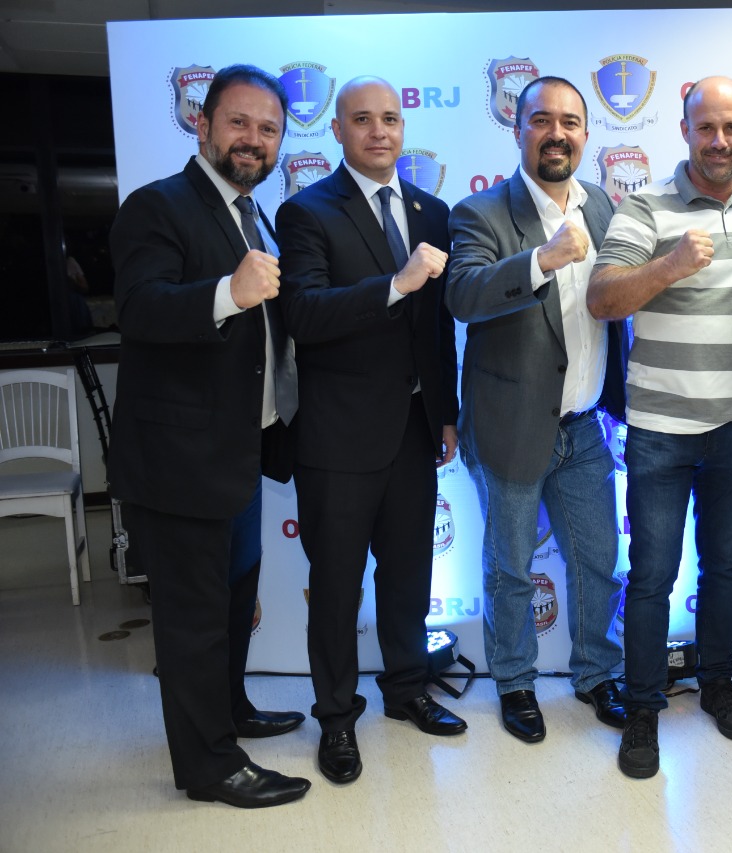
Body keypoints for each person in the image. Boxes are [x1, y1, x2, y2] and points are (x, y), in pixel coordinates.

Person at [109, 63, 310, 808]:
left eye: (269, 129)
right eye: (239, 123)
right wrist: (230, 291)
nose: (253, 139)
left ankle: (229, 711)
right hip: (179, 461)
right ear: (203, 125)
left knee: (231, 600)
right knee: (193, 620)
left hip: (237, 452)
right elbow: (140, 309)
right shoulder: (157, 206)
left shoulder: (252, 213)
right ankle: (209, 766)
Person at [588, 76, 732, 779]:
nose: (720, 141)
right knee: (652, 575)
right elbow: (603, 298)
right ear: (685, 132)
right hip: (660, 428)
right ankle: (643, 705)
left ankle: (717, 682)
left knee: (724, 568)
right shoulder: (645, 206)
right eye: (707, 128)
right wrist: (669, 265)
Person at [276, 76, 465, 786]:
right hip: (337, 438)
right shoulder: (305, 211)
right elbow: (304, 314)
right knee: (336, 586)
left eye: (390, 118)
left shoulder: (430, 210)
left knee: (410, 574)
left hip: (414, 430)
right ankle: (335, 715)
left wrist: (445, 411)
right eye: (362, 119)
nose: (379, 131)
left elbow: (438, 327)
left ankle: (407, 687)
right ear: (337, 130)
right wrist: (395, 284)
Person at [446, 77, 627, 742]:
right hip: (510, 426)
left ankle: (596, 673)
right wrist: (541, 260)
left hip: (585, 428)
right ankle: (515, 682)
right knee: (511, 570)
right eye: (542, 120)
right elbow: (463, 295)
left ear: (586, 134)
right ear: (517, 128)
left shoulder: (602, 204)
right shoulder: (480, 212)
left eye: (570, 122)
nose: (557, 133)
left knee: (598, 561)